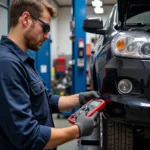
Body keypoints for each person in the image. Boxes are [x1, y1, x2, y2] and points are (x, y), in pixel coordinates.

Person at [0, 0, 100, 150]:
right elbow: (28, 136)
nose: (47, 36)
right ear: (26, 19)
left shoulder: (22, 61)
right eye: (45, 27)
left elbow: (46, 100)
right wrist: (77, 130)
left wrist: (80, 98)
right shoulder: (7, 64)